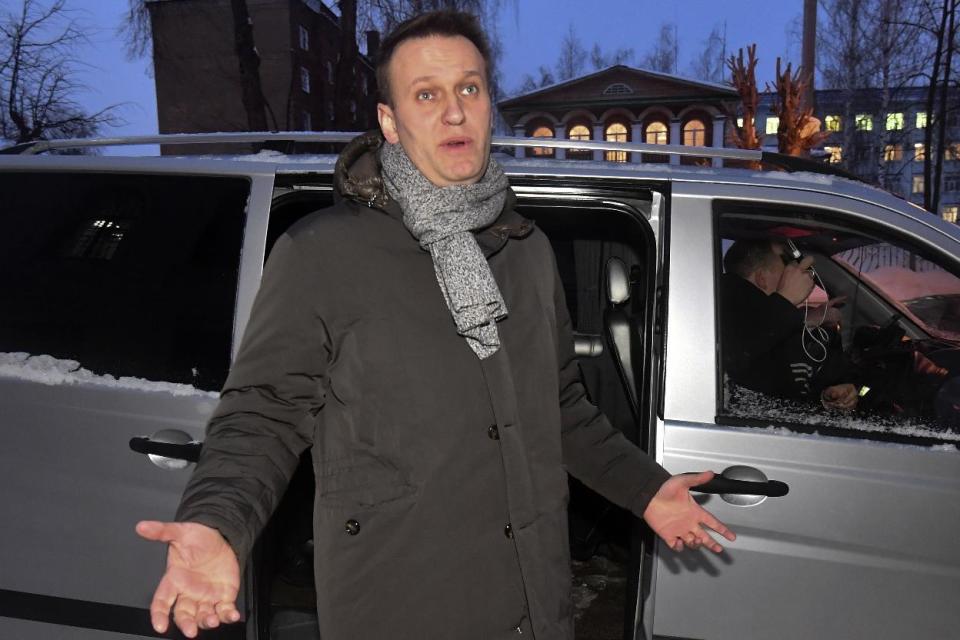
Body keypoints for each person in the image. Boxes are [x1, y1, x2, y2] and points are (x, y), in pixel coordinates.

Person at [136, 11, 735, 639]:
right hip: (404, 602)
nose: (454, 111)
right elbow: (263, 411)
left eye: (469, 89)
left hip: (534, 595)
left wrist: (646, 489)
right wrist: (217, 519)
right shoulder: (324, 254)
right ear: (390, 123)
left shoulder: (526, 249)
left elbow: (558, 408)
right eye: (427, 94)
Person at [719, 238, 859, 410]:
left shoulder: (773, 324)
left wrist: (827, 397)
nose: (794, 267)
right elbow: (735, 364)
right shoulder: (720, 313)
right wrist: (785, 302)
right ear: (762, 278)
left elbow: (784, 397)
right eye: (786, 260)